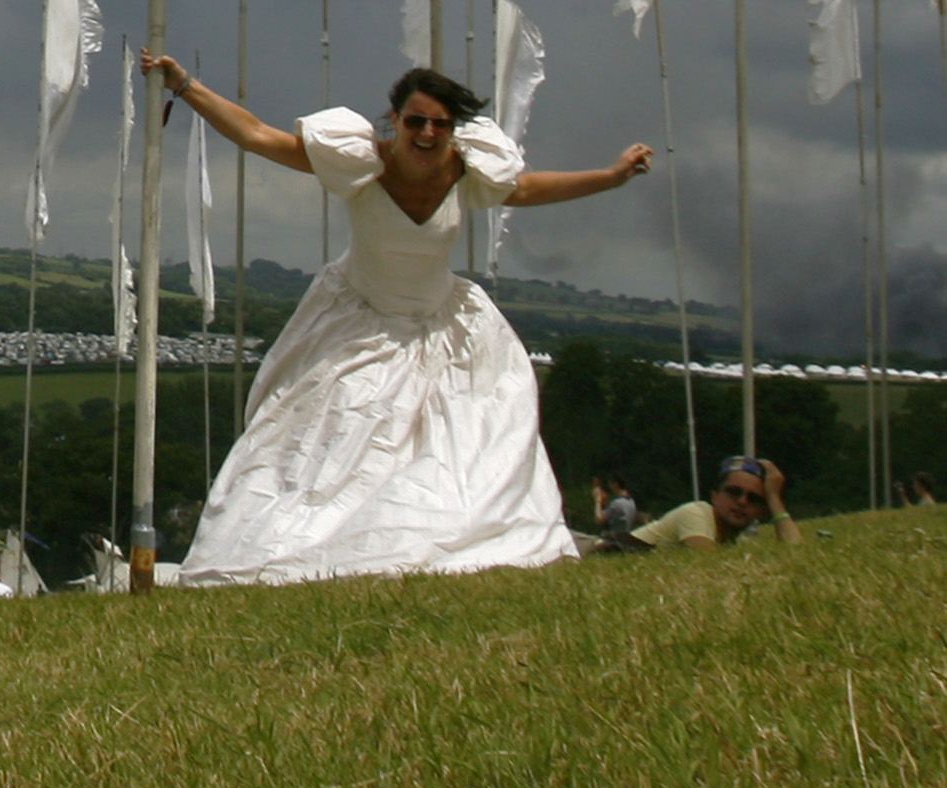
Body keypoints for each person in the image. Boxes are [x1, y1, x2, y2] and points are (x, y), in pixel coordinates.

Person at [148, 56, 652, 587]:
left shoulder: (468, 171)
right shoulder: (360, 161)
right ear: (395, 120)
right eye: (417, 121)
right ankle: (313, 546)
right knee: (330, 445)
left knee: (463, 451)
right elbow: (258, 136)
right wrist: (185, 86)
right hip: (358, 322)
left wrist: (612, 176)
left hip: (446, 329)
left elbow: (529, 189)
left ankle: (444, 539)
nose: (429, 133)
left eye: (441, 123)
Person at [633, 457, 804, 549]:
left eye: (753, 499)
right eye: (734, 492)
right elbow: (708, 566)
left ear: (762, 511)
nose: (742, 502)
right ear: (714, 496)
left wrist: (774, 498)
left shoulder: (734, 542)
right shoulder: (696, 513)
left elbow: (794, 552)